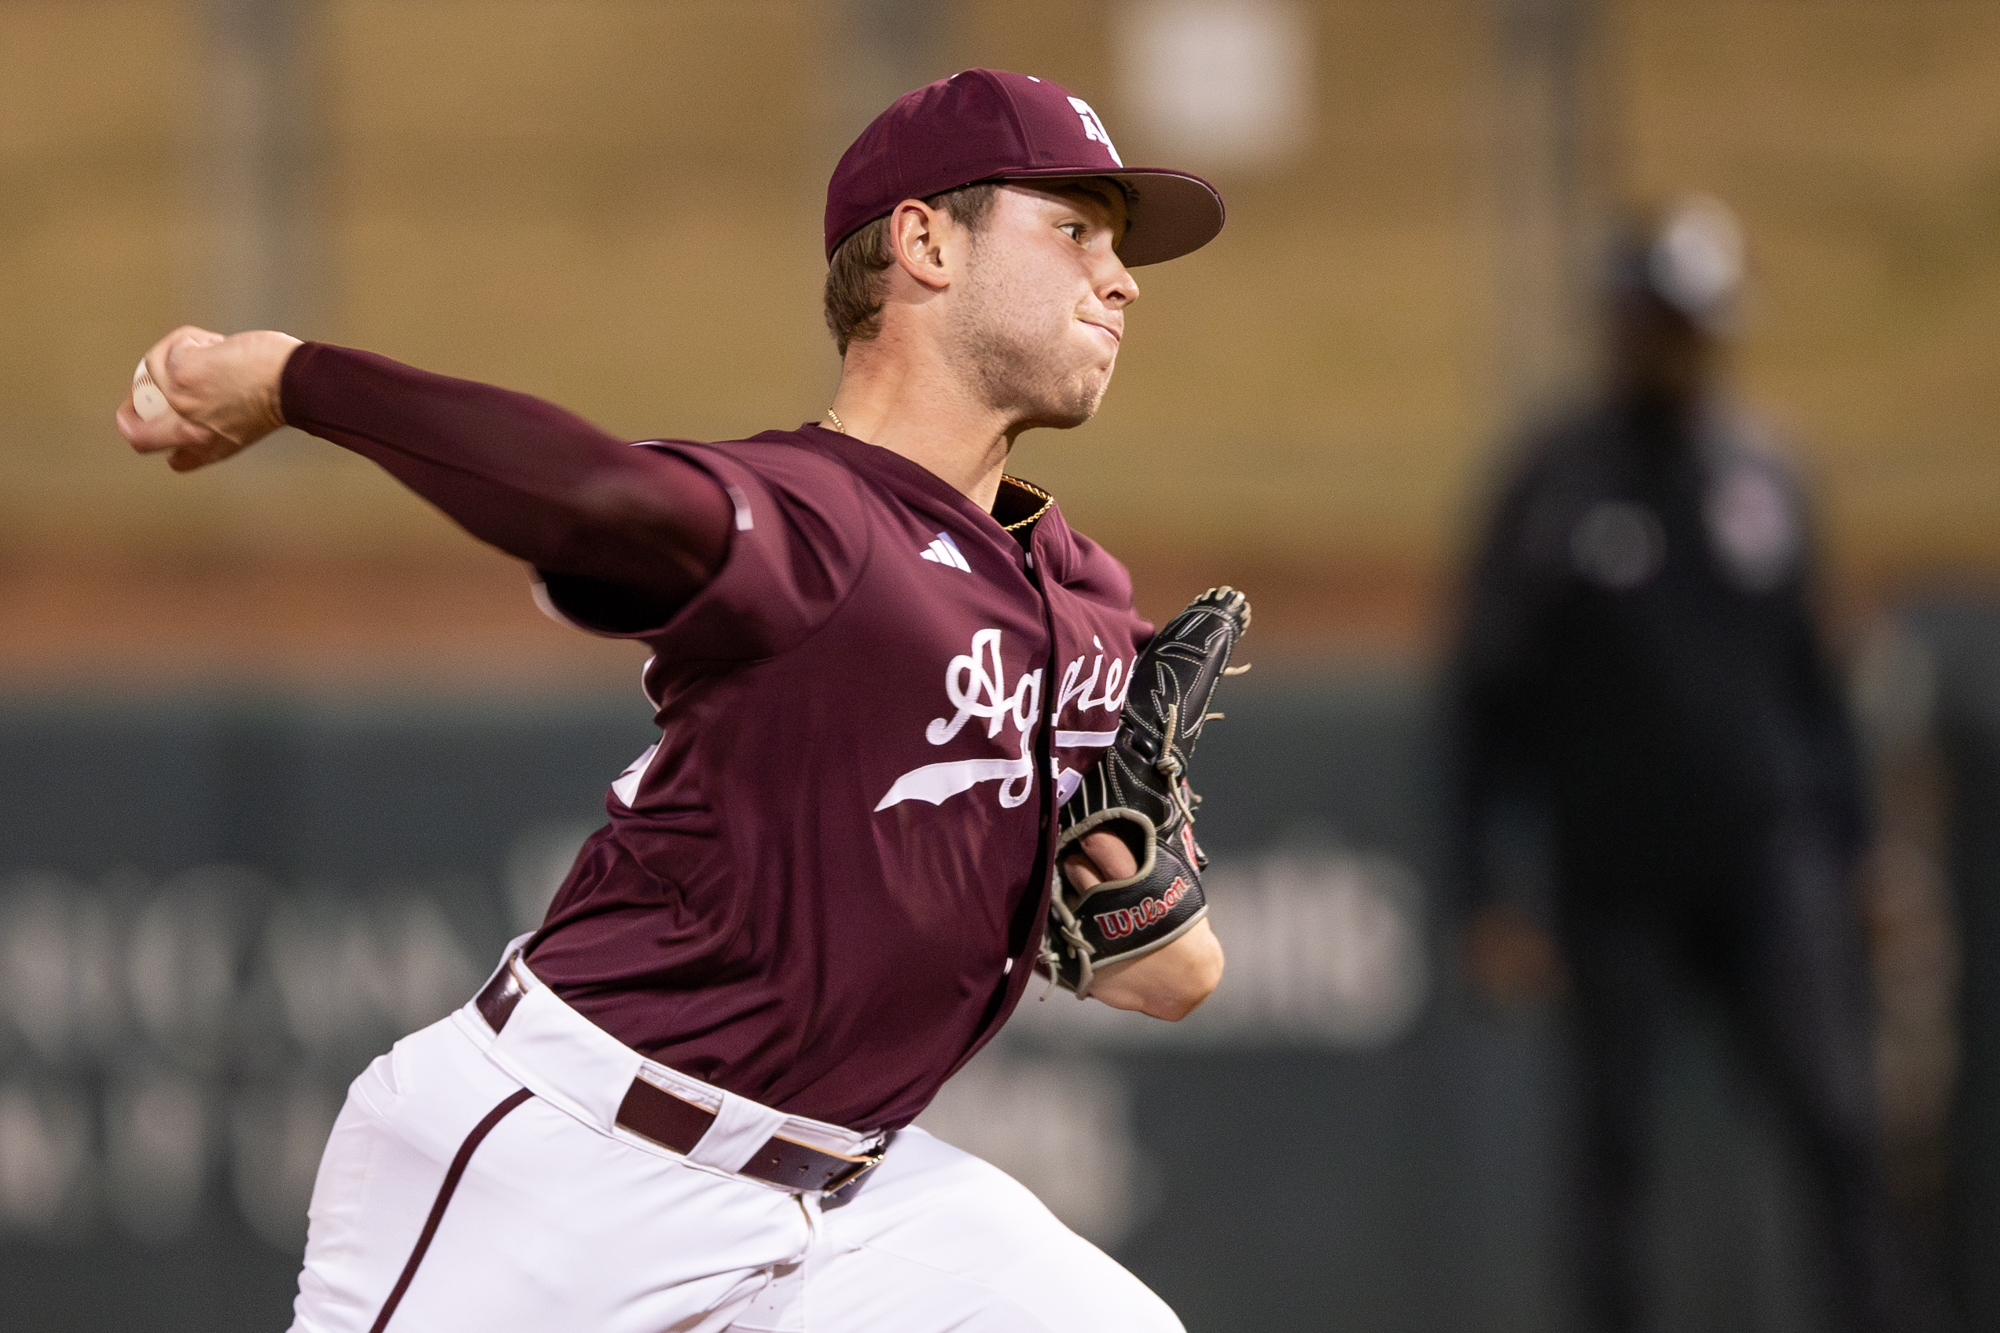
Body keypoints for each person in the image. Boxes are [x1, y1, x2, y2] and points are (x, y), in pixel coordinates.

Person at [116, 69, 1229, 1333]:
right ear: (924, 242)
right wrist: (290, 378)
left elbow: (1169, 975)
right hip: (567, 1166)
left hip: (849, 1201)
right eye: (1073, 228)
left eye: (1119, 247)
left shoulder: (1084, 594)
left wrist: (1142, 904)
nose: (1120, 278)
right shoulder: (814, 521)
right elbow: (592, 498)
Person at [1448, 198, 1932, 1332]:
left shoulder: (1763, 473)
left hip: (1768, 860)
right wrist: (1487, 885)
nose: (1671, 344)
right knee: (1611, 1154)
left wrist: (1859, 851)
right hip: (1614, 875)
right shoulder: (1556, 485)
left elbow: (1812, 683)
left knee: (1836, 1124)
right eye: (1654, 319)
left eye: (1691, 323)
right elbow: (1486, 699)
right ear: (1616, 324)